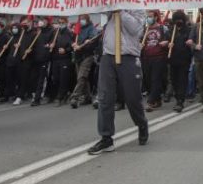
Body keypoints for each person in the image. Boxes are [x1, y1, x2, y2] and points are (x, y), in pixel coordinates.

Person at [88, 10, 149, 155]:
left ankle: (141, 124)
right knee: (105, 97)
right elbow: (97, 7)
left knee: (132, 98)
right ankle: (106, 138)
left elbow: (136, 29)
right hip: (108, 56)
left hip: (128, 57)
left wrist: (120, 10)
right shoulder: (111, 4)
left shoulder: (137, 8)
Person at [141, 10, 170, 112]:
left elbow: (170, 40)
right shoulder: (145, 29)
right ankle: (157, 100)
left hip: (159, 57)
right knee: (148, 80)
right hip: (146, 57)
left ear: (156, 17)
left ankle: (151, 101)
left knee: (155, 79)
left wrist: (167, 42)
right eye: (147, 16)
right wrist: (140, 44)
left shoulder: (163, 28)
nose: (148, 18)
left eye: (150, 16)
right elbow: (141, 41)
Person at [71, 14, 100, 108]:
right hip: (78, 56)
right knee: (83, 78)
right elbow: (72, 39)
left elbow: (93, 39)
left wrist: (87, 43)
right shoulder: (78, 28)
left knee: (82, 76)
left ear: (87, 19)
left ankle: (75, 98)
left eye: (83, 19)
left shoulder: (91, 29)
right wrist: (73, 44)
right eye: (80, 19)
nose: (82, 20)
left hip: (87, 55)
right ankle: (87, 97)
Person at [167, 10, 192, 113]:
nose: (178, 21)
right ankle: (178, 97)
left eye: (180, 20)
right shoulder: (171, 30)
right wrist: (168, 44)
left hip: (184, 59)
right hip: (173, 59)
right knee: (174, 80)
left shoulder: (188, 30)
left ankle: (180, 101)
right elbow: (166, 41)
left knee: (182, 80)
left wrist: (190, 43)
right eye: (176, 20)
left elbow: (191, 42)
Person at [27, 17, 54, 106]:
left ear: (47, 22)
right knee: (33, 78)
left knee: (41, 80)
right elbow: (32, 44)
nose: (41, 22)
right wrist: (29, 50)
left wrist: (50, 45)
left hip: (44, 59)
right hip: (35, 59)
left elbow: (53, 43)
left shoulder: (51, 31)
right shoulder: (37, 32)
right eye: (40, 20)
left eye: (44, 20)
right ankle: (36, 95)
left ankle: (37, 99)